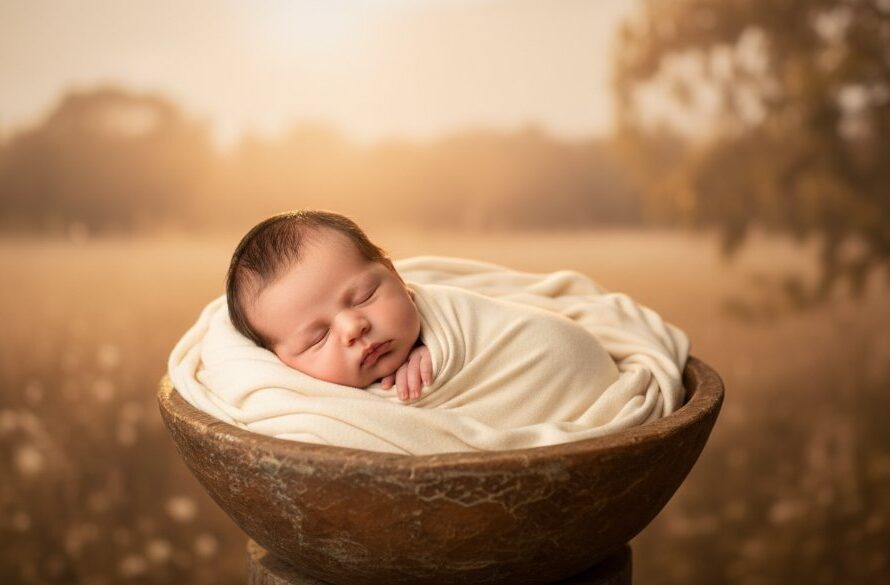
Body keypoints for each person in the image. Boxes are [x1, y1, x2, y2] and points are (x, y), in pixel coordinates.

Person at [226, 210, 433, 402]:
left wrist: (436, 346)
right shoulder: (300, 405)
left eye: (364, 297)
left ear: (393, 273)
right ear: (281, 362)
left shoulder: (444, 314)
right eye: (318, 338)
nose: (352, 328)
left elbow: (451, 316)